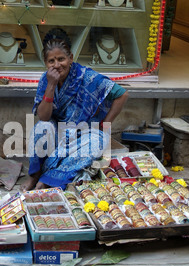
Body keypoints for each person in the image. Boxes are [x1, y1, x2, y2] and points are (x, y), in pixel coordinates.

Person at [21, 29, 128, 191]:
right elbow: (43, 116)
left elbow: (122, 94)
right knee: (41, 128)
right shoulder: (46, 79)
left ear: (70, 58)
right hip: (58, 129)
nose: (57, 65)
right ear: (46, 63)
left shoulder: (87, 77)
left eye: (61, 59)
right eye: (51, 61)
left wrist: (105, 124)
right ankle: (34, 176)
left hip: (85, 132)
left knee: (97, 142)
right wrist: (51, 85)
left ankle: (49, 178)